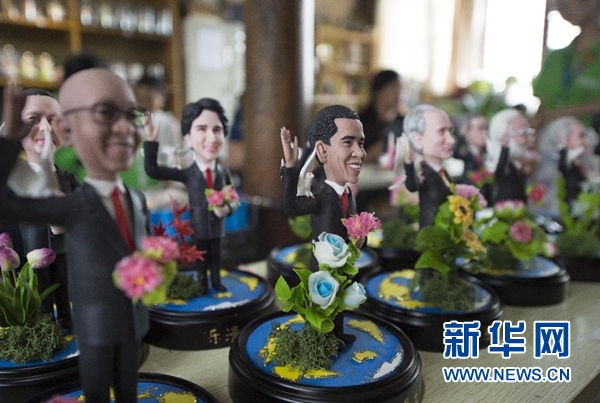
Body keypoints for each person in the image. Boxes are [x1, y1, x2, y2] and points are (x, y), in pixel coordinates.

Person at [0, 69, 150, 403]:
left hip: (134, 322)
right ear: (69, 130)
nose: (124, 128)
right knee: (96, 391)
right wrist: (8, 141)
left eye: (131, 115)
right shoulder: (77, 205)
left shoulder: (136, 199)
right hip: (93, 326)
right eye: (105, 114)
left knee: (128, 389)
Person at [280, 104, 366, 345]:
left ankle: (337, 333)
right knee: (320, 306)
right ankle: (318, 341)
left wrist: (361, 238)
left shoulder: (349, 195)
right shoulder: (321, 197)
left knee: (339, 301)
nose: (359, 153)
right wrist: (290, 168)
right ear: (322, 150)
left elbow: (354, 227)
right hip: (322, 268)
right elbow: (291, 207)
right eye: (348, 143)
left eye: (361, 143)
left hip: (344, 265)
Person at [144, 98, 236, 294]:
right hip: (198, 228)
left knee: (216, 257)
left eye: (217, 130)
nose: (211, 138)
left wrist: (227, 208)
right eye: (201, 129)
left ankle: (216, 282)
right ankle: (202, 283)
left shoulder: (223, 173)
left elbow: (233, 198)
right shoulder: (188, 174)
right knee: (200, 259)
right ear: (187, 138)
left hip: (217, 229)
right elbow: (153, 171)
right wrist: (151, 143)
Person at [17, 88, 79, 330]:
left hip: (67, 252)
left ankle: (69, 322)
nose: (45, 127)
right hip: (30, 255)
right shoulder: (15, 178)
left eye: (53, 119)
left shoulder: (70, 178)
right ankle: (42, 330)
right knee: (39, 294)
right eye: (33, 119)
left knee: (67, 291)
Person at [532, 0, 600, 129]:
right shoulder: (555, 58)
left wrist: (554, 115)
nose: (562, 5)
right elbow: (542, 108)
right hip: (550, 138)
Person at [402, 104, 456, 229]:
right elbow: (411, 186)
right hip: (431, 231)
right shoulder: (425, 174)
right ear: (418, 139)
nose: (451, 140)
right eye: (441, 131)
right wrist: (409, 163)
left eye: (450, 131)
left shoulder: (443, 172)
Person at [531, 116, 591, 217]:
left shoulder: (577, 162)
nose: (586, 141)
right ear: (565, 138)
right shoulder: (550, 166)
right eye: (581, 136)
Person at [485, 108, 538, 205]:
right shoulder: (500, 156)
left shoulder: (524, 157)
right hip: (506, 206)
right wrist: (505, 149)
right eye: (521, 126)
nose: (525, 130)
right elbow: (499, 173)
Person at [359, 69, 404, 165]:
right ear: (379, 91)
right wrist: (385, 144)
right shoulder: (359, 122)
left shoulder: (403, 122)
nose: (399, 94)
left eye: (401, 89)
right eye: (394, 88)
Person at [453, 113, 488, 184]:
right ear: (467, 132)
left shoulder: (487, 152)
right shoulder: (464, 153)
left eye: (486, 128)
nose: (485, 132)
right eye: (480, 128)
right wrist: (462, 135)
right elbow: (456, 153)